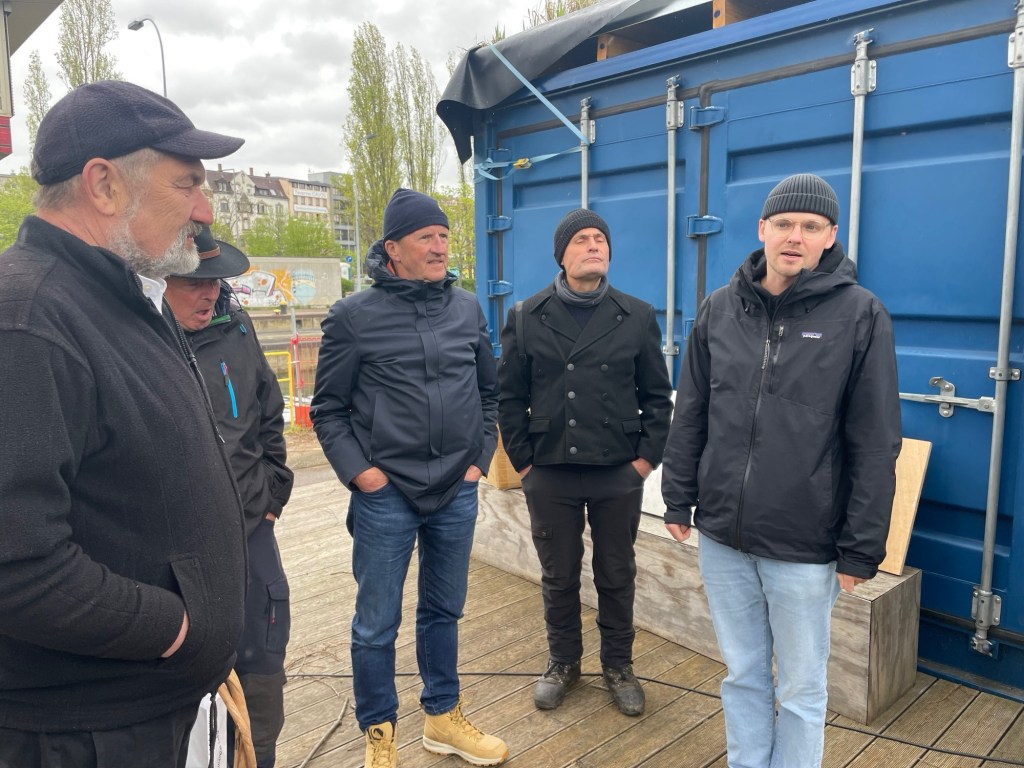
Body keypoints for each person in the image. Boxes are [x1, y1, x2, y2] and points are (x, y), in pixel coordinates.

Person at [0, 80, 248, 767]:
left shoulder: (118, 299)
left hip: (155, 708)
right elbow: (15, 565)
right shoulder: (27, 322)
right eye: (188, 183)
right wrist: (179, 628)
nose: (204, 210)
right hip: (87, 734)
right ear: (104, 185)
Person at [661, 174, 901, 768]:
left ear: (830, 236)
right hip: (723, 536)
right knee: (742, 674)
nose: (796, 236)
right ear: (762, 229)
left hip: (803, 544)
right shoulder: (720, 308)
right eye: (785, 223)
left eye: (811, 226)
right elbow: (692, 411)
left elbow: (875, 442)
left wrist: (861, 547)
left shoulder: (861, 315)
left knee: (800, 688)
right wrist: (677, 496)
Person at [311, 188, 509, 768]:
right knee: (376, 623)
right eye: (426, 237)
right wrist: (363, 475)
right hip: (386, 495)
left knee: (444, 610)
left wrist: (478, 460)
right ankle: (379, 730)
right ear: (393, 249)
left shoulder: (467, 309)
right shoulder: (353, 317)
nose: (440, 246)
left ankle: (443, 717)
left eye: (444, 235)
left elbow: (490, 392)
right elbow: (328, 410)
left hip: (456, 488)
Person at [496, 208, 674, 716]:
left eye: (600, 238)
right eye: (581, 239)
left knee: (616, 572)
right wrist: (525, 466)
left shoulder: (636, 315)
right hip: (550, 470)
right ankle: (564, 662)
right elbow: (508, 398)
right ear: (562, 255)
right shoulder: (526, 315)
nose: (593, 245)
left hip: (617, 470)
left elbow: (657, 398)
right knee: (559, 574)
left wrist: (644, 462)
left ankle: (618, 665)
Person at [164, 228, 295, 768]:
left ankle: (258, 756)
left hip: (249, 529)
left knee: (264, 653)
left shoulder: (237, 328)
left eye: (216, 281)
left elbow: (269, 412)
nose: (210, 292)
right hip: (175, 551)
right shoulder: (133, 341)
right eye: (193, 282)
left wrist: (273, 492)